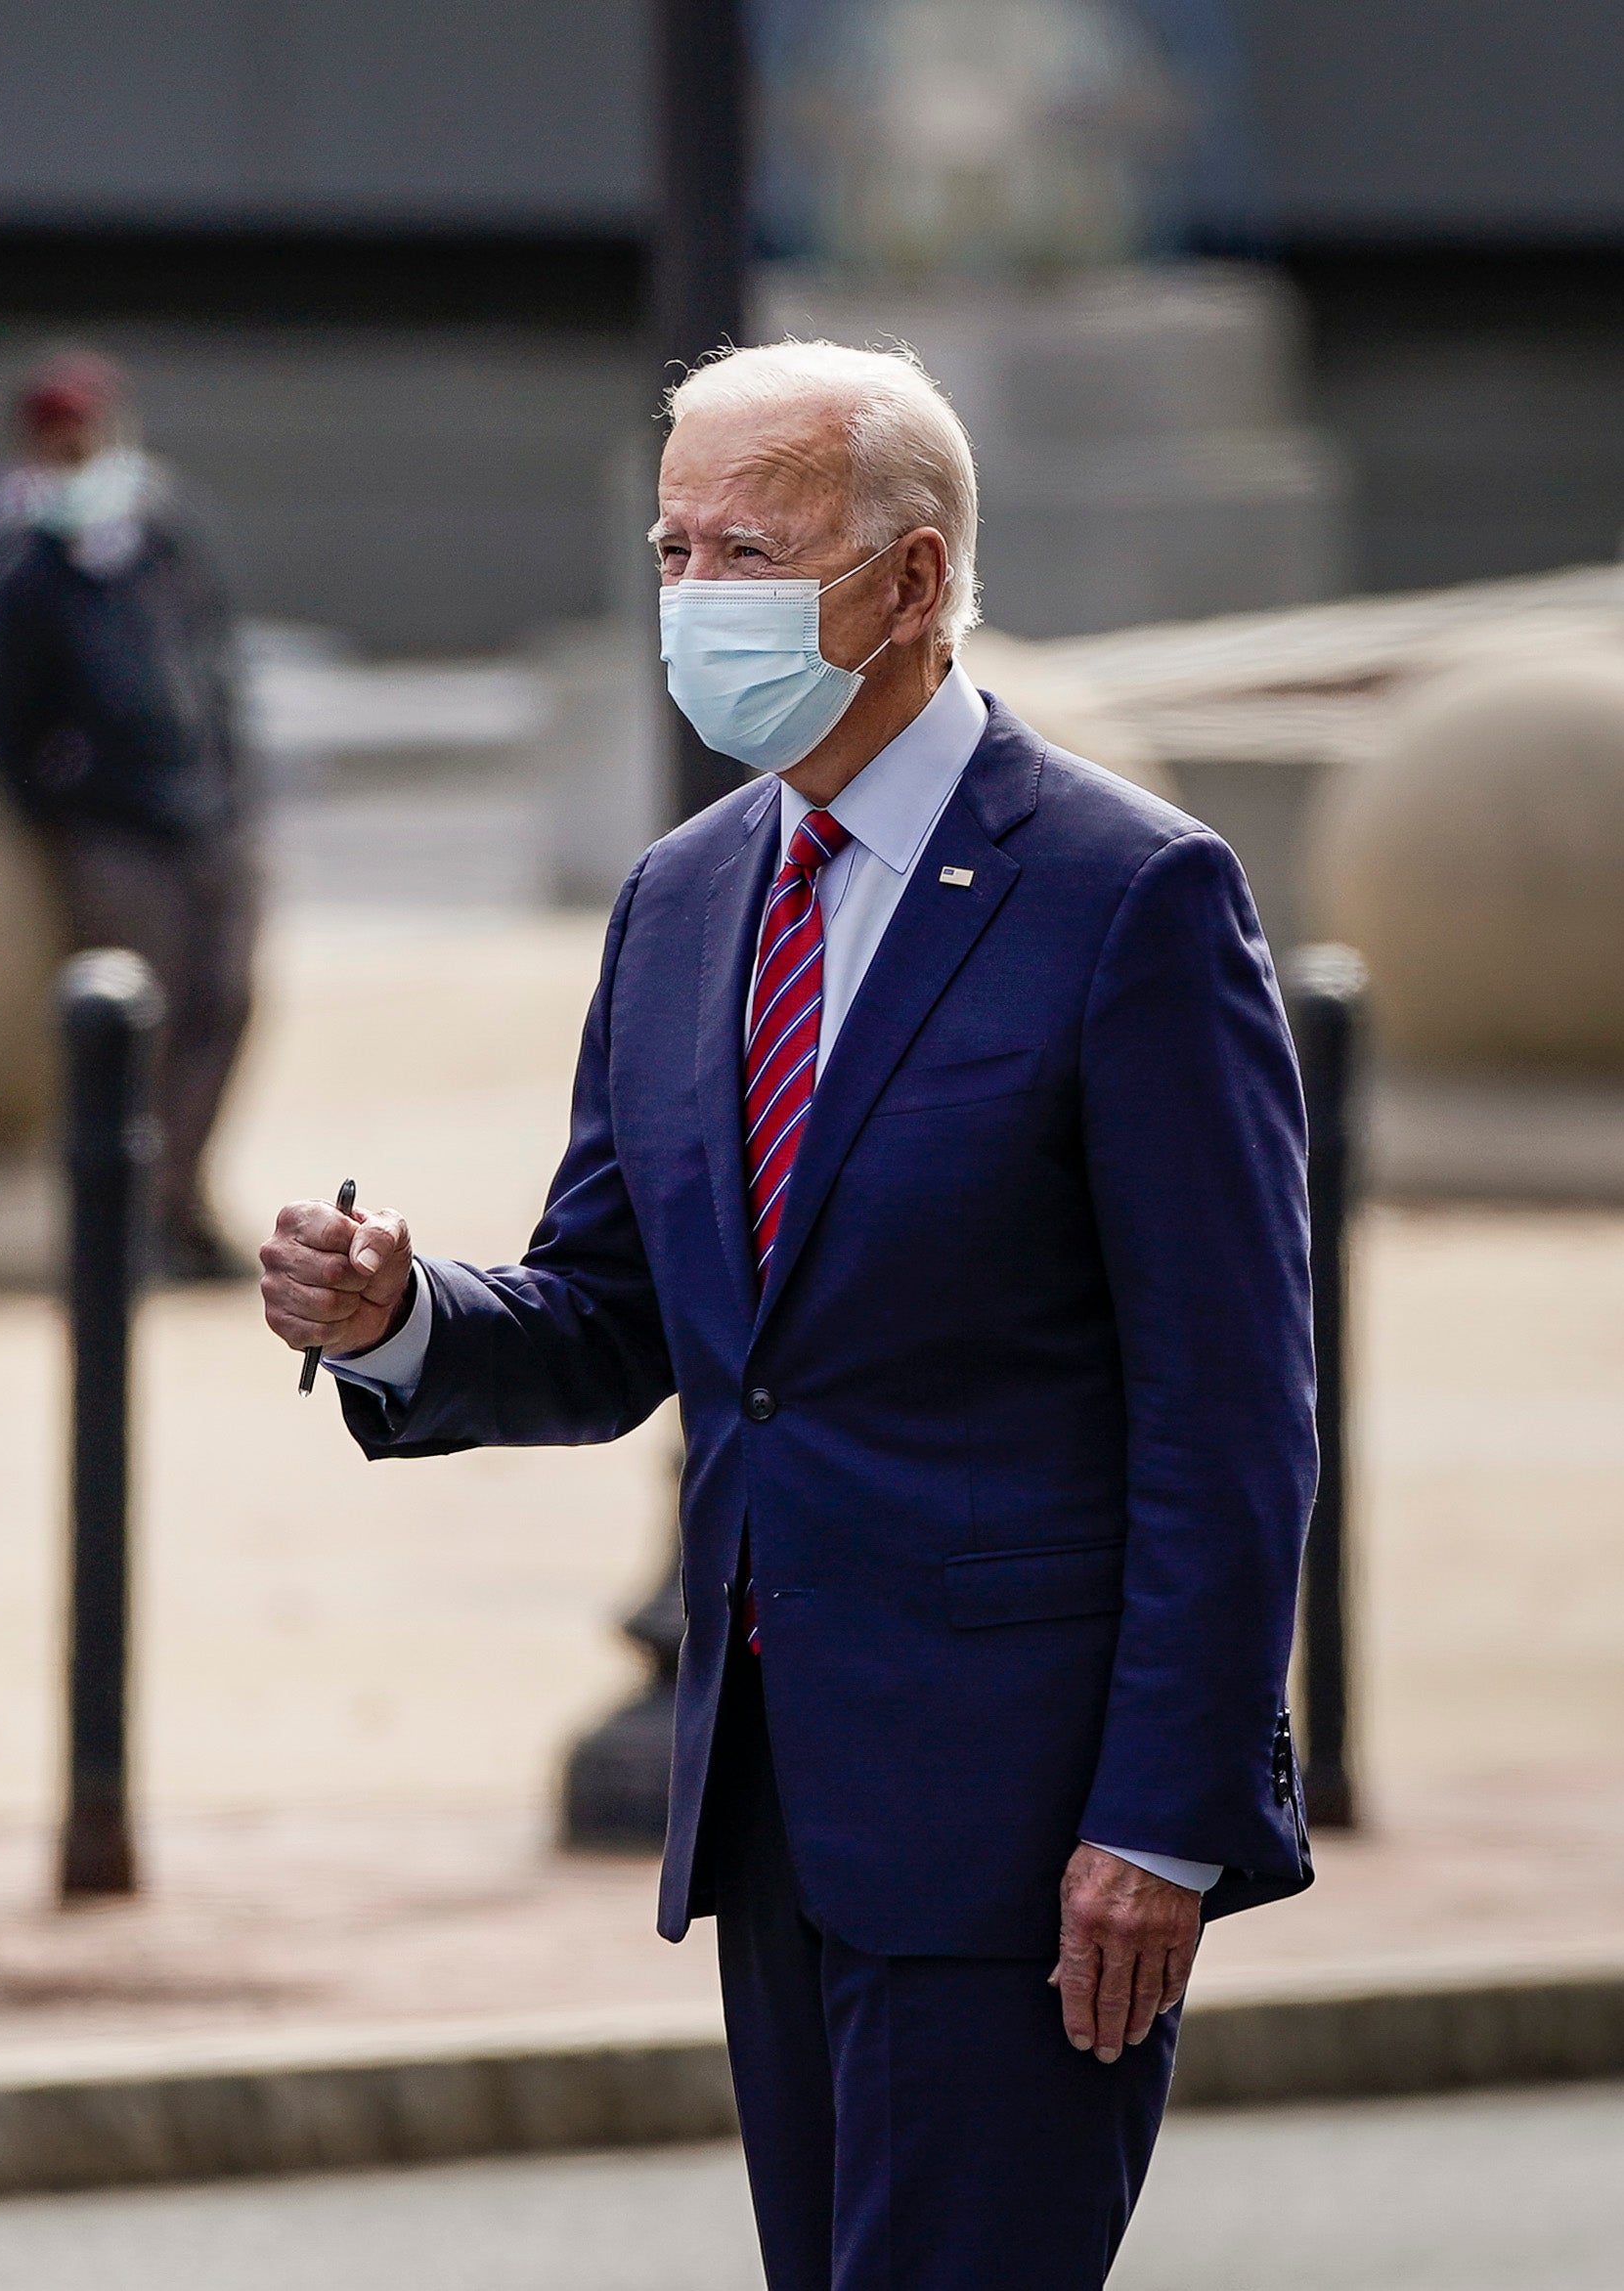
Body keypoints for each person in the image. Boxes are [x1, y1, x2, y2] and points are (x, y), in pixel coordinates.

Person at [258, 340, 1313, 2290]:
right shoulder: (683, 899)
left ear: (908, 582)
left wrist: (1162, 1822)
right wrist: (401, 1312)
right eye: (669, 548)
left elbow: (1229, 1414)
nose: (689, 598)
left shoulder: (1127, 894)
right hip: (769, 1805)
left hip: (1025, 1831)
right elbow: (604, 1319)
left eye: (741, 551)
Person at [0, 350, 259, 1280]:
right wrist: (54, 799)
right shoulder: (22, 562)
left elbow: (212, 656)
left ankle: (179, 1197)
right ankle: (126, 1222)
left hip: (203, 811)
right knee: (133, 1020)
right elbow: (2, 706)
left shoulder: (164, 531)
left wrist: (229, 782)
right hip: (112, 828)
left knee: (224, 998)